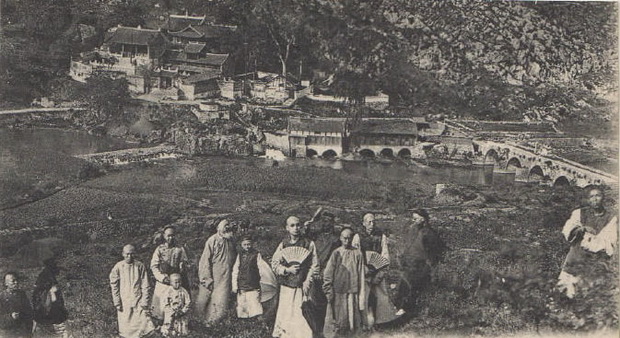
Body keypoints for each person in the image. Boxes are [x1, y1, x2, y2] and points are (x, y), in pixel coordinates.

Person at [557, 187, 618, 298]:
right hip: (576, 256)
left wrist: (593, 241)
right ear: (588, 199)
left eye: (598, 196)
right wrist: (582, 229)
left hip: (594, 260)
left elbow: (610, 240)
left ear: (603, 198)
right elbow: (568, 230)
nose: (595, 199)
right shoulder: (579, 213)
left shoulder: (610, 218)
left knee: (588, 293)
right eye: (591, 196)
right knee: (566, 289)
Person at [271, 216, 319, 338]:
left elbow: (315, 265)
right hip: (286, 285)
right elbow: (275, 263)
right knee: (286, 312)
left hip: (302, 285)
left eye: (298, 225)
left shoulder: (309, 244)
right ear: (287, 228)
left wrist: (308, 280)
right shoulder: (283, 244)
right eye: (292, 225)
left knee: (300, 313)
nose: (296, 228)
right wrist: (287, 270)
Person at [351, 213, 402, 328]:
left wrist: (381, 271)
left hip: (378, 271)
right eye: (369, 222)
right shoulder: (358, 237)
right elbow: (355, 256)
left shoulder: (381, 236)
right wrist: (363, 269)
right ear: (363, 223)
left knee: (381, 295)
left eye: (373, 221)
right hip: (364, 272)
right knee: (362, 297)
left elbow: (385, 255)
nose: (372, 224)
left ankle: (382, 321)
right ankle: (363, 322)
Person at [396, 209, 447, 312]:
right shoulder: (414, 230)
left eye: (415, 219)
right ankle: (397, 306)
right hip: (411, 264)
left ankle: (406, 309)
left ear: (423, 219)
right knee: (403, 283)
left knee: (412, 284)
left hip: (422, 266)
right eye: (413, 218)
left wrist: (430, 266)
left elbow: (436, 251)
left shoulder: (429, 233)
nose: (413, 221)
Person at [322, 228, 366, 336]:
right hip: (339, 291)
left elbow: (361, 274)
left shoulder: (358, 253)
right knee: (340, 320)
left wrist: (361, 293)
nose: (347, 241)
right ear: (341, 238)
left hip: (353, 291)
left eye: (349, 238)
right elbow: (328, 273)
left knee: (353, 320)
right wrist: (328, 289)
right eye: (345, 238)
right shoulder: (336, 253)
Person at [195, 219, 236, 325]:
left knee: (221, 301)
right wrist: (207, 279)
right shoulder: (212, 240)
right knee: (205, 301)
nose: (227, 227)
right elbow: (205, 261)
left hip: (226, 278)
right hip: (213, 277)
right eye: (225, 225)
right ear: (218, 228)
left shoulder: (231, 241)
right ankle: (203, 324)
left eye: (228, 225)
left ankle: (215, 324)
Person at [109, 244, 155, 338]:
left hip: (138, 299)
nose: (129, 256)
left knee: (142, 325)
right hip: (124, 300)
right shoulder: (118, 266)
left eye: (132, 254)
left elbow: (145, 284)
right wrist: (117, 301)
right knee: (126, 328)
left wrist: (144, 300)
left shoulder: (139, 266)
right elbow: (114, 284)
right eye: (127, 254)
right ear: (123, 254)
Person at [150, 226, 190, 320]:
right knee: (160, 308)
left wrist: (182, 266)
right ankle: (160, 323)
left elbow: (185, 261)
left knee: (176, 305)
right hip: (163, 281)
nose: (170, 238)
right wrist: (161, 277)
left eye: (172, 235)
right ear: (164, 236)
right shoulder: (159, 249)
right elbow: (154, 266)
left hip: (176, 281)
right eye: (168, 236)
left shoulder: (179, 249)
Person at [32, 258, 70, 338]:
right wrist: (51, 293)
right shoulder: (44, 276)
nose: (58, 270)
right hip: (48, 314)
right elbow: (39, 296)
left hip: (53, 312)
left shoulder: (49, 275)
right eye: (55, 267)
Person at [232, 235, 265, 319]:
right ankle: (244, 323)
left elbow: (261, 268)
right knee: (242, 304)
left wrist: (262, 281)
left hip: (253, 283)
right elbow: (235, 270)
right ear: (242, 245)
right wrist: (235, 286)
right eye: (245, 245)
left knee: (255, 303)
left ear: (252, 244)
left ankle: (257, 323)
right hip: (242, 284)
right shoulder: (239, 255)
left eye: (249, 244)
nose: (247, 247)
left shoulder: (256, 254)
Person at [0, 273, 33, 338]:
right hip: (8, 333)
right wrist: (10, 317)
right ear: (6, 283)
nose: (16, 282)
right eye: (13, 281)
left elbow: (29, 311)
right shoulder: (2, 297)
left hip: (23, 332)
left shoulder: (22, 294)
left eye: (17, 280)